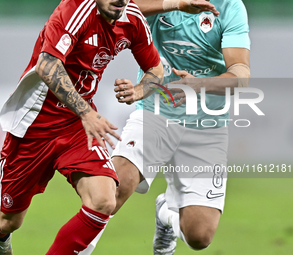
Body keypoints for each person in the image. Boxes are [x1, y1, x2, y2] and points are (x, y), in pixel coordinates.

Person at [0, 0, 166, 254]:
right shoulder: (74, 9)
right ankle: (0, 239)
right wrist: (86, 112)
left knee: (104, 200)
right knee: (9, 220)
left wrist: (137, 91)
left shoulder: (132, 19)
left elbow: (156, 70)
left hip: (76, 125)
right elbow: (47, 65)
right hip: (34, 124)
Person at [79, 0, 251, 254]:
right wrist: (176, 5)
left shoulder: (229, 6)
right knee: (111, 193)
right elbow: (120, 8)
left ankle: (166, 217)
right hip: (155, 114)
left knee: (199, 236)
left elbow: (241, 74)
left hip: (207, 125)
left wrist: (200, 84)